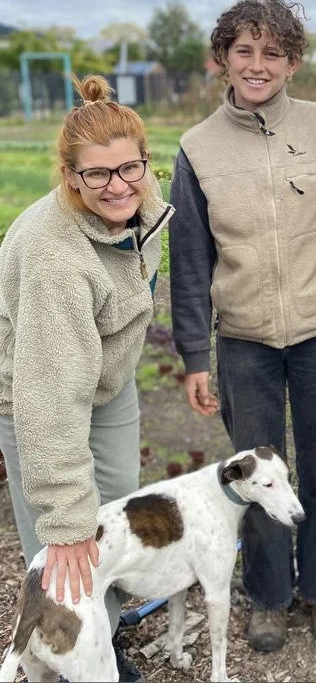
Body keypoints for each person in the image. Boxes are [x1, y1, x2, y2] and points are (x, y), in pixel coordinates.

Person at [169, 0, 316, 652]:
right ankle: (271, 597)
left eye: (272, 52)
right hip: (245, 341)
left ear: (293, 62)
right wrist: (197, 355)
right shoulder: (196, 148)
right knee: (254, 478)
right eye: (243, 51)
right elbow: (189, 261)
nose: (257, 65)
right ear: (221, 59)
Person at [0, 74, 174, 683]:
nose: (117, 186)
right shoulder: (56, 258)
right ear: (71, 177)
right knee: (63, 549)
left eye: (130, 169)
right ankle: (68, 655)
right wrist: (68, 521)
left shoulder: (143, 206)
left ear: (146, 163)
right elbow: (50, 399)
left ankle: (102, 620)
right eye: (96, 175)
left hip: (106, 383)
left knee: (116, 507)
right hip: (34, 395)